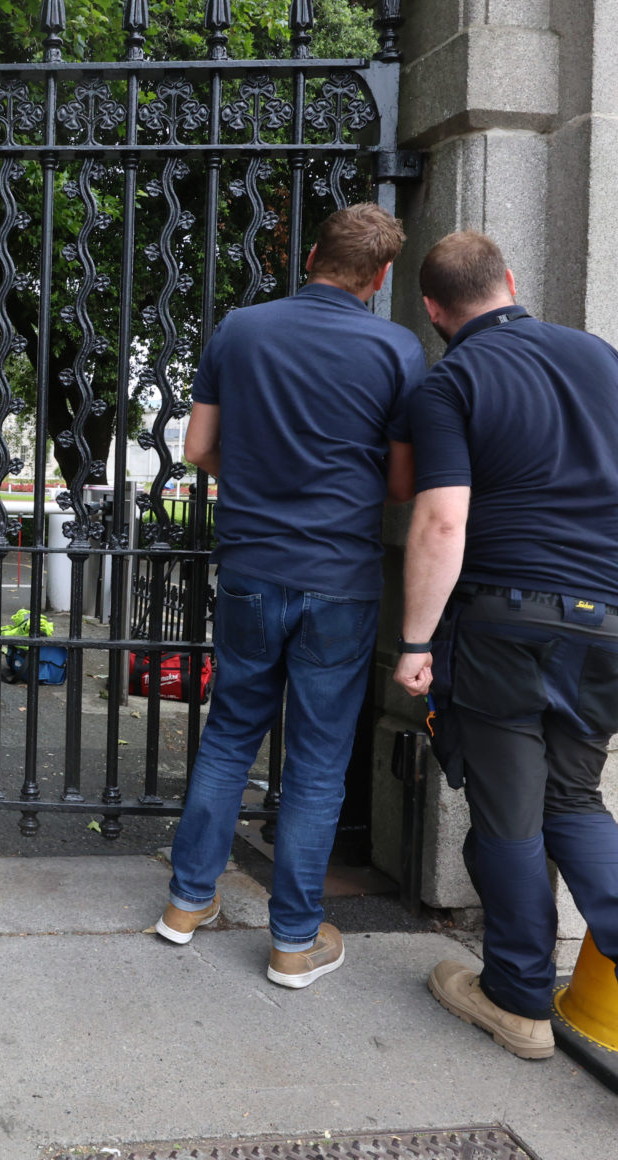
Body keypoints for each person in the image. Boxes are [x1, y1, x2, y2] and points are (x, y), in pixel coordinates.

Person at [392, 232, 618, 1127]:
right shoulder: (593, 351)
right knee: (574, 805)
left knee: (507, 813)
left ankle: (519, 998)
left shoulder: (449, 383)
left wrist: (416, 640)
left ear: (433, 312)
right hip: (602, 620)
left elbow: (440, 522)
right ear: (510, 283)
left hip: (504, 618)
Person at [152, 203, 425, 992]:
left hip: (249, 567)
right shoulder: (397, 347)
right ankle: (293, 943)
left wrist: (266, 480)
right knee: (315, 761)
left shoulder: (240, 329)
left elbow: (199, 448)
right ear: (378, 278)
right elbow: (403, 483)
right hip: (339, 578)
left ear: (311, 255)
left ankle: (185, 904)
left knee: (231, 733)